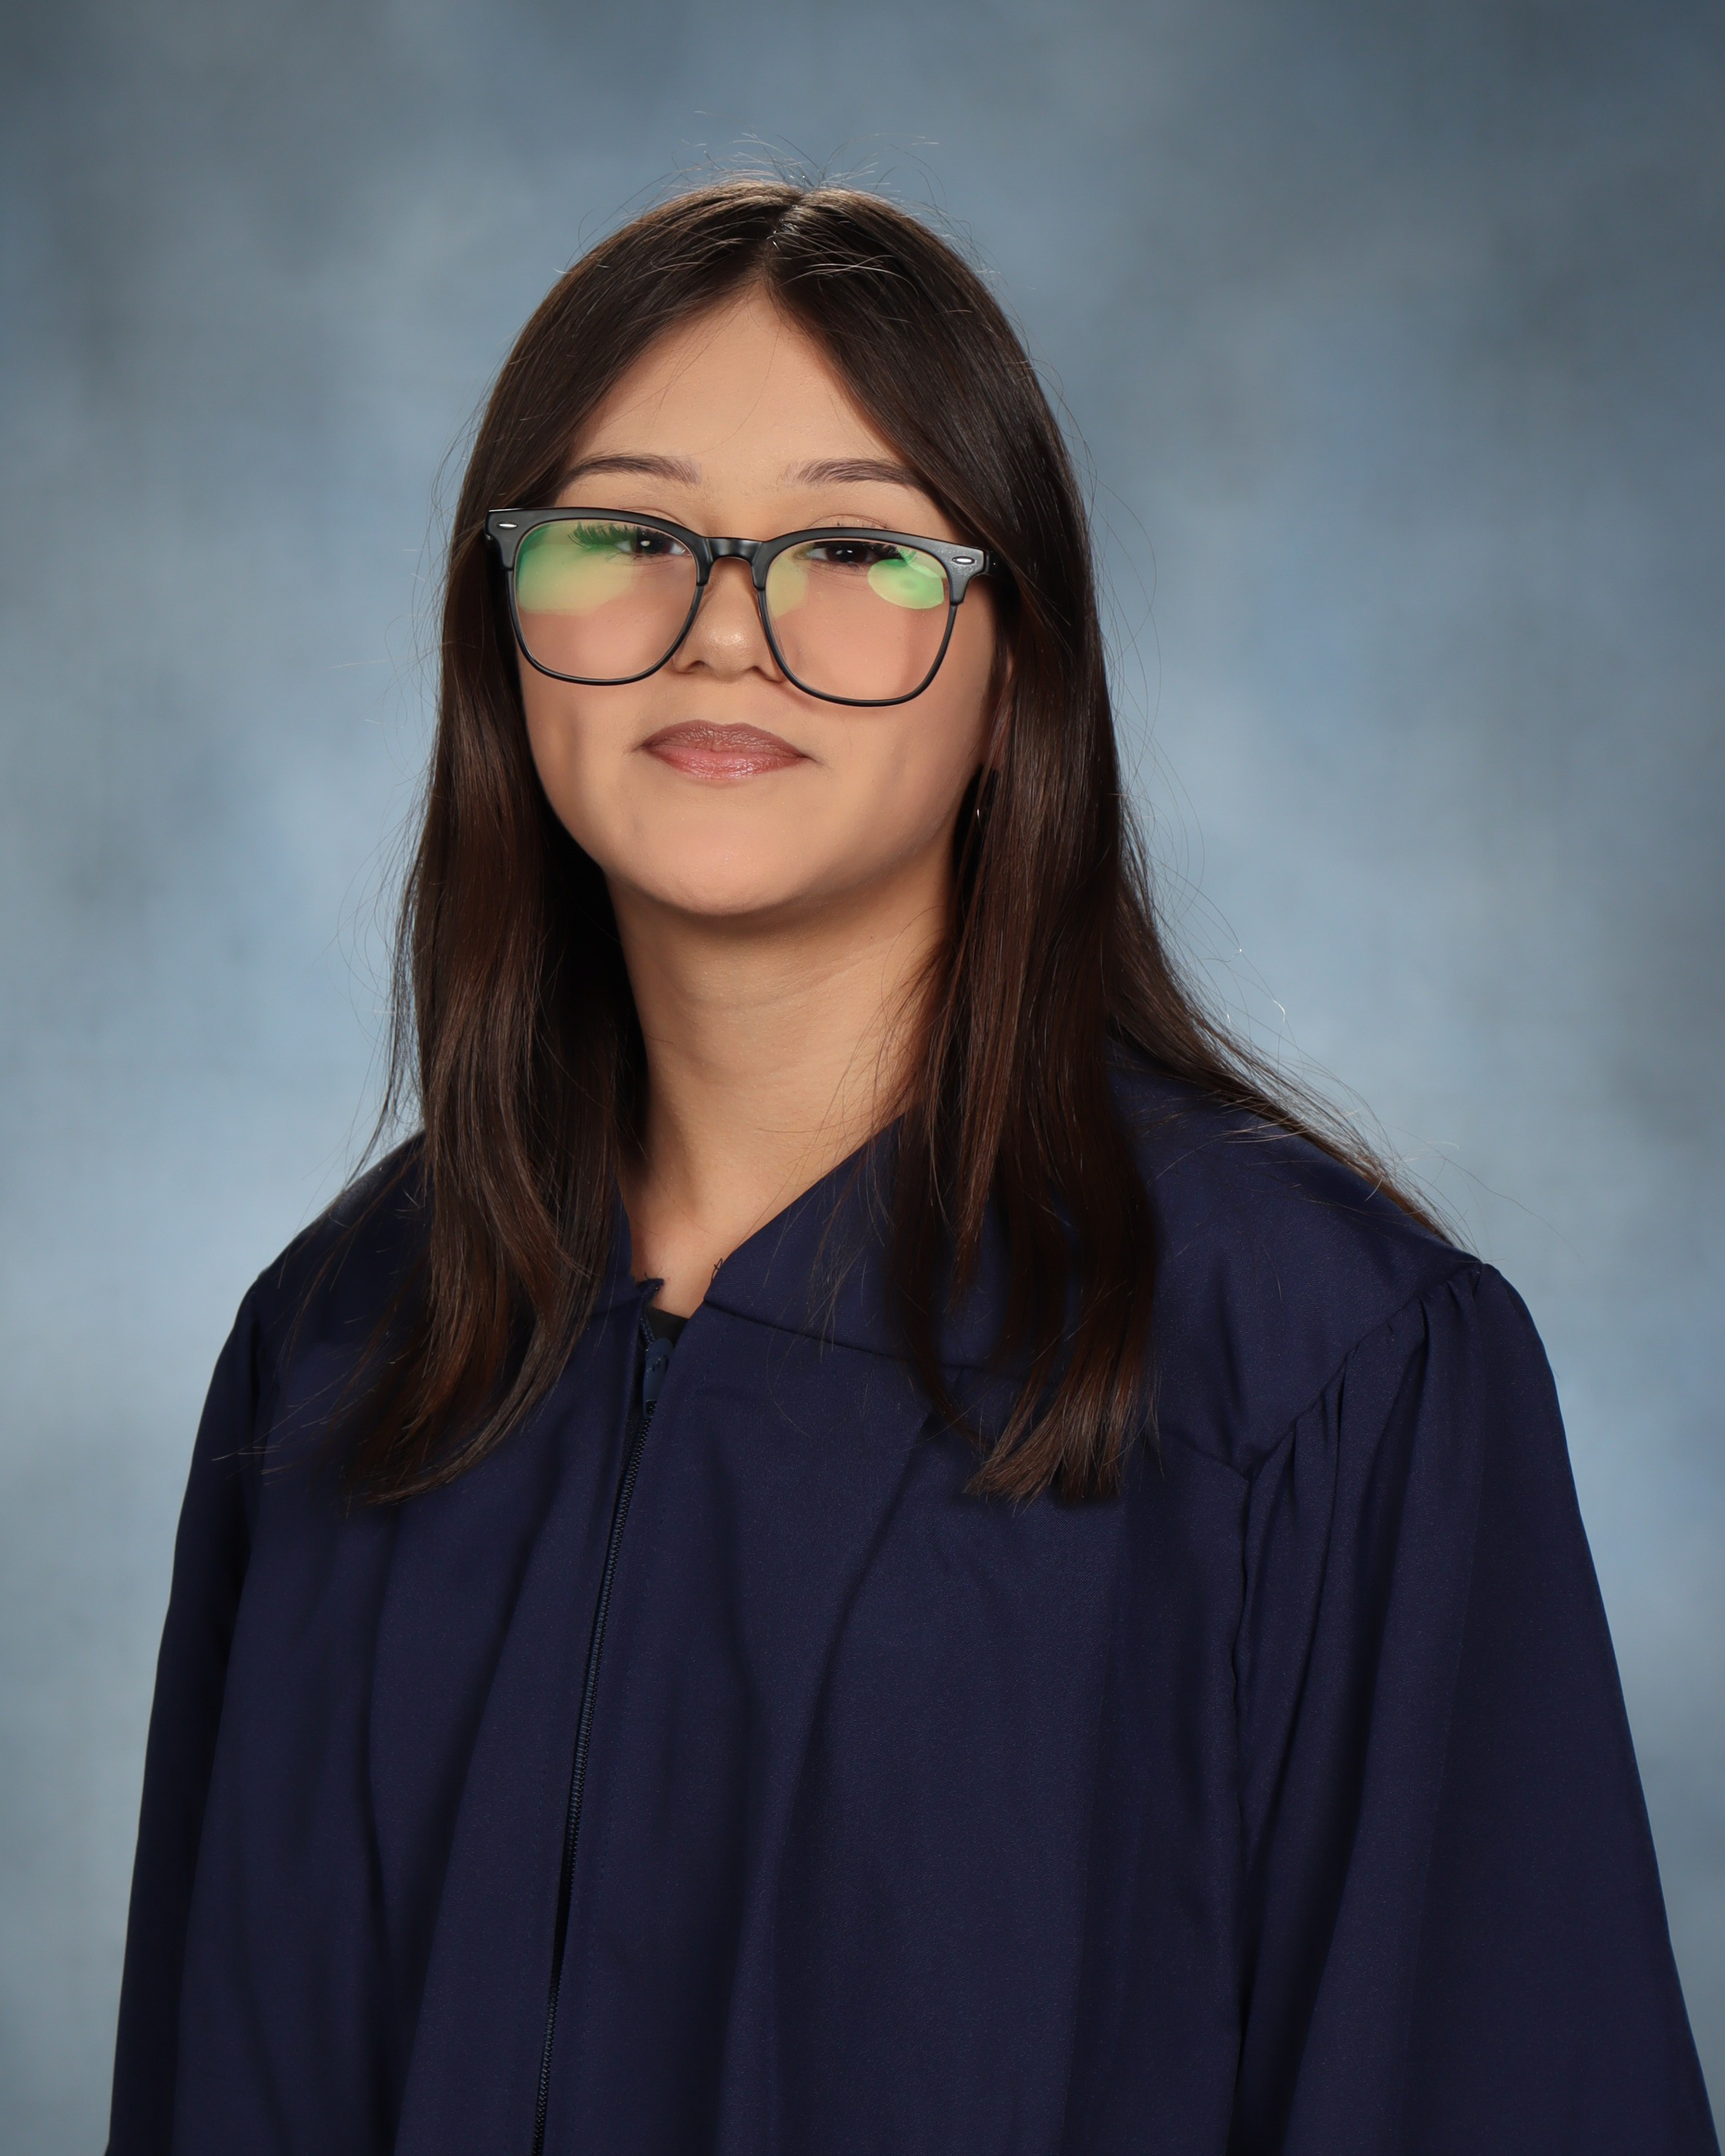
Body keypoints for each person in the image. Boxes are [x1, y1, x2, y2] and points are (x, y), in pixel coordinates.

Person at [107, 179, 1717, 2156]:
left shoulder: (1316, 1372)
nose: (722, 633)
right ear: (502, 631)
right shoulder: (340, 1352)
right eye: (624, 536)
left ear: (1014, 671)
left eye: (856, 550)